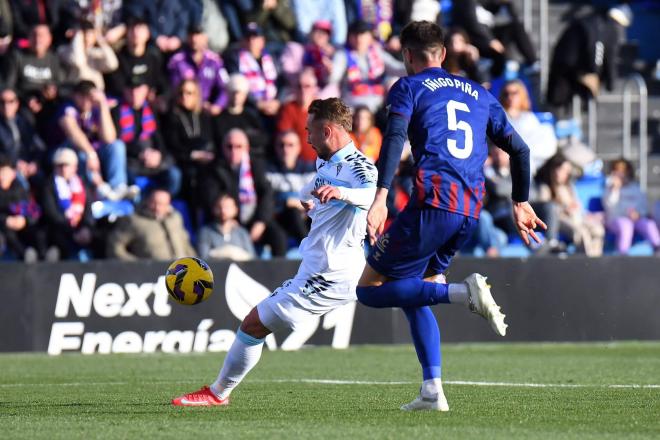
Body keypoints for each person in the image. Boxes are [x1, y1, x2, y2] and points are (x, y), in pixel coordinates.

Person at [355, 21, 546, 412]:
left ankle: (462, 293)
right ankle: (432, 390)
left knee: (369, 290)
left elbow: (394, 139)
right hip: (469, 211)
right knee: (417, 290)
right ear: (443, 54)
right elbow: (521, 150)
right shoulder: (481, 93)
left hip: (432, 204)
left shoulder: (408, 87)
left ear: (408, 55)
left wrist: (381, 196)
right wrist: (520, 201)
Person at [171, 97, 377, 406]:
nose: (306, 137)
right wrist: (309, 198)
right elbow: (315, 186)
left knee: (252, 324)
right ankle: (457, 291)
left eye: (310, 131)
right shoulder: (326, 159)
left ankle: (217, 394)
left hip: (328, 274)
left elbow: (371, 195)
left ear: (328, 131)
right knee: (405, 293)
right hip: (326, 267)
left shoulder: (359, 167)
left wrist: (341, 193)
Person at [201, 128, 287, 257]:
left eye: (238, 146)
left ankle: (280, 275)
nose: (233, 151)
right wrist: (229, 218)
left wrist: (261, 222)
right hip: (227, 220)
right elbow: (212, 198)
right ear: (223, 148)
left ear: (246, 148)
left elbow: (267, 194)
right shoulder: (214, 168)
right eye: (229, 147)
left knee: (279, 237)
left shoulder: (256, 166)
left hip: (254, 219)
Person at [535, 153, 604, 257]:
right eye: (562, 170)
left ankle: (595, 258)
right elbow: (547, 209)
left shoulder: (569, 187)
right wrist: (565, 209)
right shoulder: (545, 187)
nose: (564, 174)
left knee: (598, 230)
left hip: (576, 218)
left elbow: (578, 206)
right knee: (581, 234)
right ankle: (585, 262)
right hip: (561, 220)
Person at [106, 187, 196, 261]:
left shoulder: (176, 219)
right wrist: (136, 265)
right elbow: (115, 246)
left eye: (161, 204)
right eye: (154, 203)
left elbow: (185, 244)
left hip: (182, 274)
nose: (157, 208)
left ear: (168, 204)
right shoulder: (134, 220)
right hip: (152, 277)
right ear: (147, 201)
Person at [39, 147, 96, 260]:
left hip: (81, 229)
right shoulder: (48, 186)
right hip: (60, 230)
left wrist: (86, 228)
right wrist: (72, 232)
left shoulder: (81, 184)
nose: (64, 169)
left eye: (67, 165)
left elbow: (88, 209)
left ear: (75, 167)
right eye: (60, 165)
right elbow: (52, 214)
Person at [167, 25, 229, 116]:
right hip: (183, 111)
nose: (194, 39)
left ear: (205, 37)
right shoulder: (177, 61)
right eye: (192, 35)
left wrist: (217, 106)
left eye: (198, 35)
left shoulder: (214, 61)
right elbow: (174, 89)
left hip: (207, 111)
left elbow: (224, 88)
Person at [266, 130, 316, 244]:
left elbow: (317, 200)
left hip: (307, 216)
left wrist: (295, 202)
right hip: (280, 217)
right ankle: (308, 248)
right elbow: (267, 199)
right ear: (275, 147)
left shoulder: (310, 169)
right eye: (281, 145)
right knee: (292, 213)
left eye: (290, 145)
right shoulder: (268, 170)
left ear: (298, 147)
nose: (285, 149)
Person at [499, 79, 557, 175]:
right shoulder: (498, 118)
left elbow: (544, 145)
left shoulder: (529, 118)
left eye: (514, 93)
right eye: (506, 94)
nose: (510, 97)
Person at [603, 158, 660, 255]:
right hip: (616, 220)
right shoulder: (609, 189)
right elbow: (610, 206)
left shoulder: (635, 188)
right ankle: (623, 254)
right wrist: (615, 189)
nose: (621, 173)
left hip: (636, 219)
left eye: (624, 170)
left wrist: (638, 214)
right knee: (626, 225)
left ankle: (657, 247)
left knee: (648, 224)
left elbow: (644, 206)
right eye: (618, 170)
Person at [197, 193, 256, 261]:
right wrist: (226, 253)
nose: (223, 211)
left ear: (235, 209)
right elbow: (203, 259)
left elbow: (252, 259)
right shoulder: (205, 232)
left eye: (227, 207)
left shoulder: (242, 233)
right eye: (219, 207)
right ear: (213, 209)